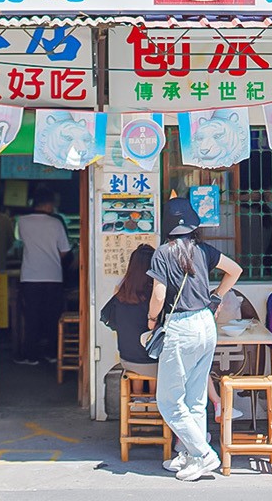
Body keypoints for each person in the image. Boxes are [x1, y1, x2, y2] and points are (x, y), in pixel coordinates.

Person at [148, 198, 243, 482]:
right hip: (205, 322)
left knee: (168, 400)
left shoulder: (163, 253)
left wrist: (152, 321)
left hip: (180, 325)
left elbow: (158, 296)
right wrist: (216, 298)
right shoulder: (203, 250)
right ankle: (190, 455)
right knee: (196, 398)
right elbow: (235, 270)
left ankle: (203, 454)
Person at [15, 191, 71, 366]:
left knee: (31, 317)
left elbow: (19, 242)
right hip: (53, 276)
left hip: (30, 277)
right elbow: (65, 251)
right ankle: (52, 353)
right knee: (52, 317)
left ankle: (31, 356)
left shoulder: (22, 221)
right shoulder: (56, 223)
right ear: (47, 205)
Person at [107, 245, 158, 377]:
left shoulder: (120, 292)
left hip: (126, 359)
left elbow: (113, 323)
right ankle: (152, 396)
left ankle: (138, 396)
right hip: (154, 363)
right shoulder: (156, 294)